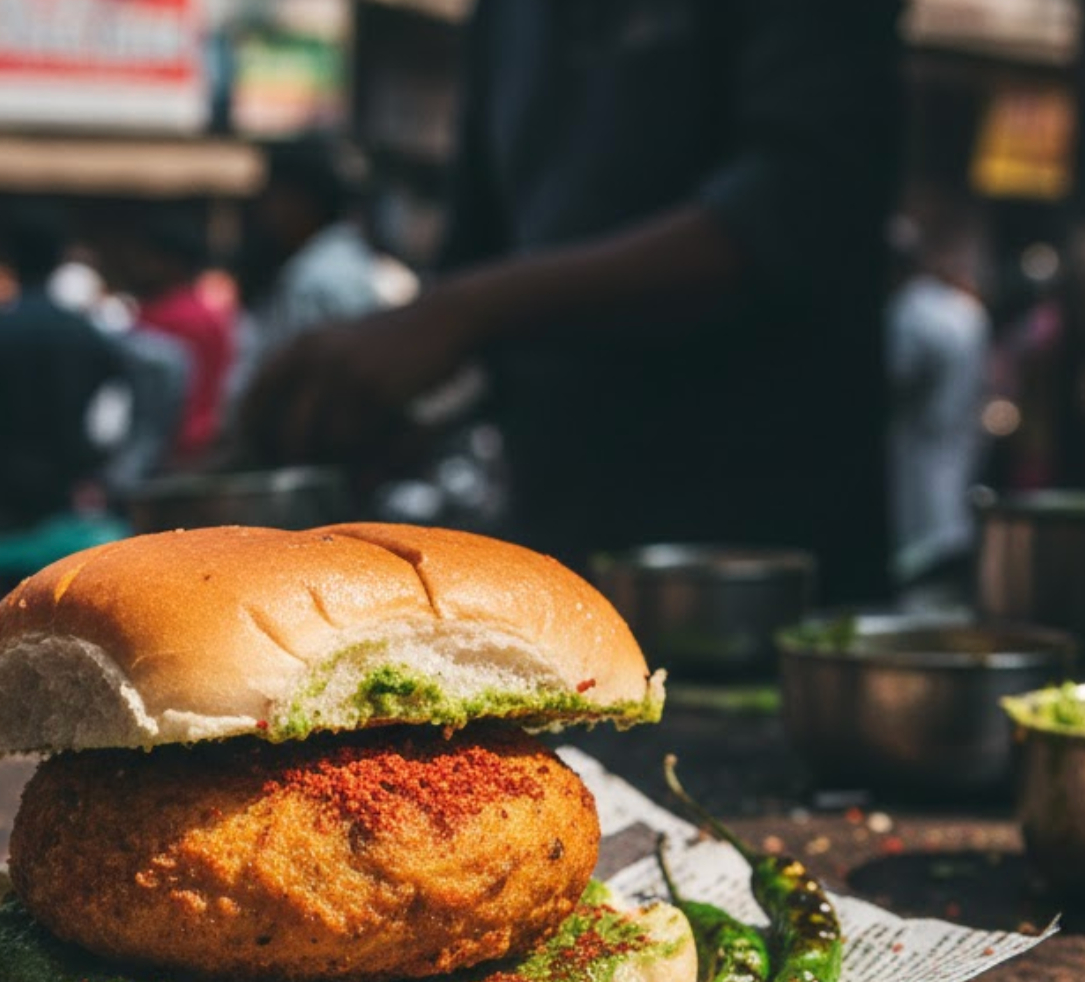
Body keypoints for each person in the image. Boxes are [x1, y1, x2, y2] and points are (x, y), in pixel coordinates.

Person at [242, 0, 903, 603]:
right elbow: (478, 263)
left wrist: (459, 312)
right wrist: (404, 410)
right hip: (562, 540)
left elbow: (801, 205)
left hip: (767, 556)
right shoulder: (506, 18)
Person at [0, 211, 122, 532]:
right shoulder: (81, 331)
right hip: (70, 482)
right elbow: (118, 398)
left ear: (9, 260)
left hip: (6, 484)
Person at [233, 137, 388, 396]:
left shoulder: (317, 279)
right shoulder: (329, 260)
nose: (266, 211)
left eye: (274, 197)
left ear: (300, 200)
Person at [884, 219, 991, 592]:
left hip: (917, 450)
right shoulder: (965, 308)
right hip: (959, 443)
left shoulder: (908, 313)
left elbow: (897, 375)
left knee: (918, 562)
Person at [102, 209, 234, 470]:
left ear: (169, 260)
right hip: (203, 448)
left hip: (165, 454)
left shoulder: (164, 318)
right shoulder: (211, 314)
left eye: (145, 257)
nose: (136, 264)